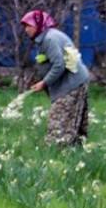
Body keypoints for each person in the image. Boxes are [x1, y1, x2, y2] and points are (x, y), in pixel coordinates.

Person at [21, 10, 91, 147]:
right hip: (73, 82)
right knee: (73, 122)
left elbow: (59, 65)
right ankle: (74, 151)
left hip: (72, 84)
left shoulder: (49, 39)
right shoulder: (47, 37)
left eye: (28, 25)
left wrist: (44, 83)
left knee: (59, 121)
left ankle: (57, 151)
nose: (26, 30)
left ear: (38, 25)